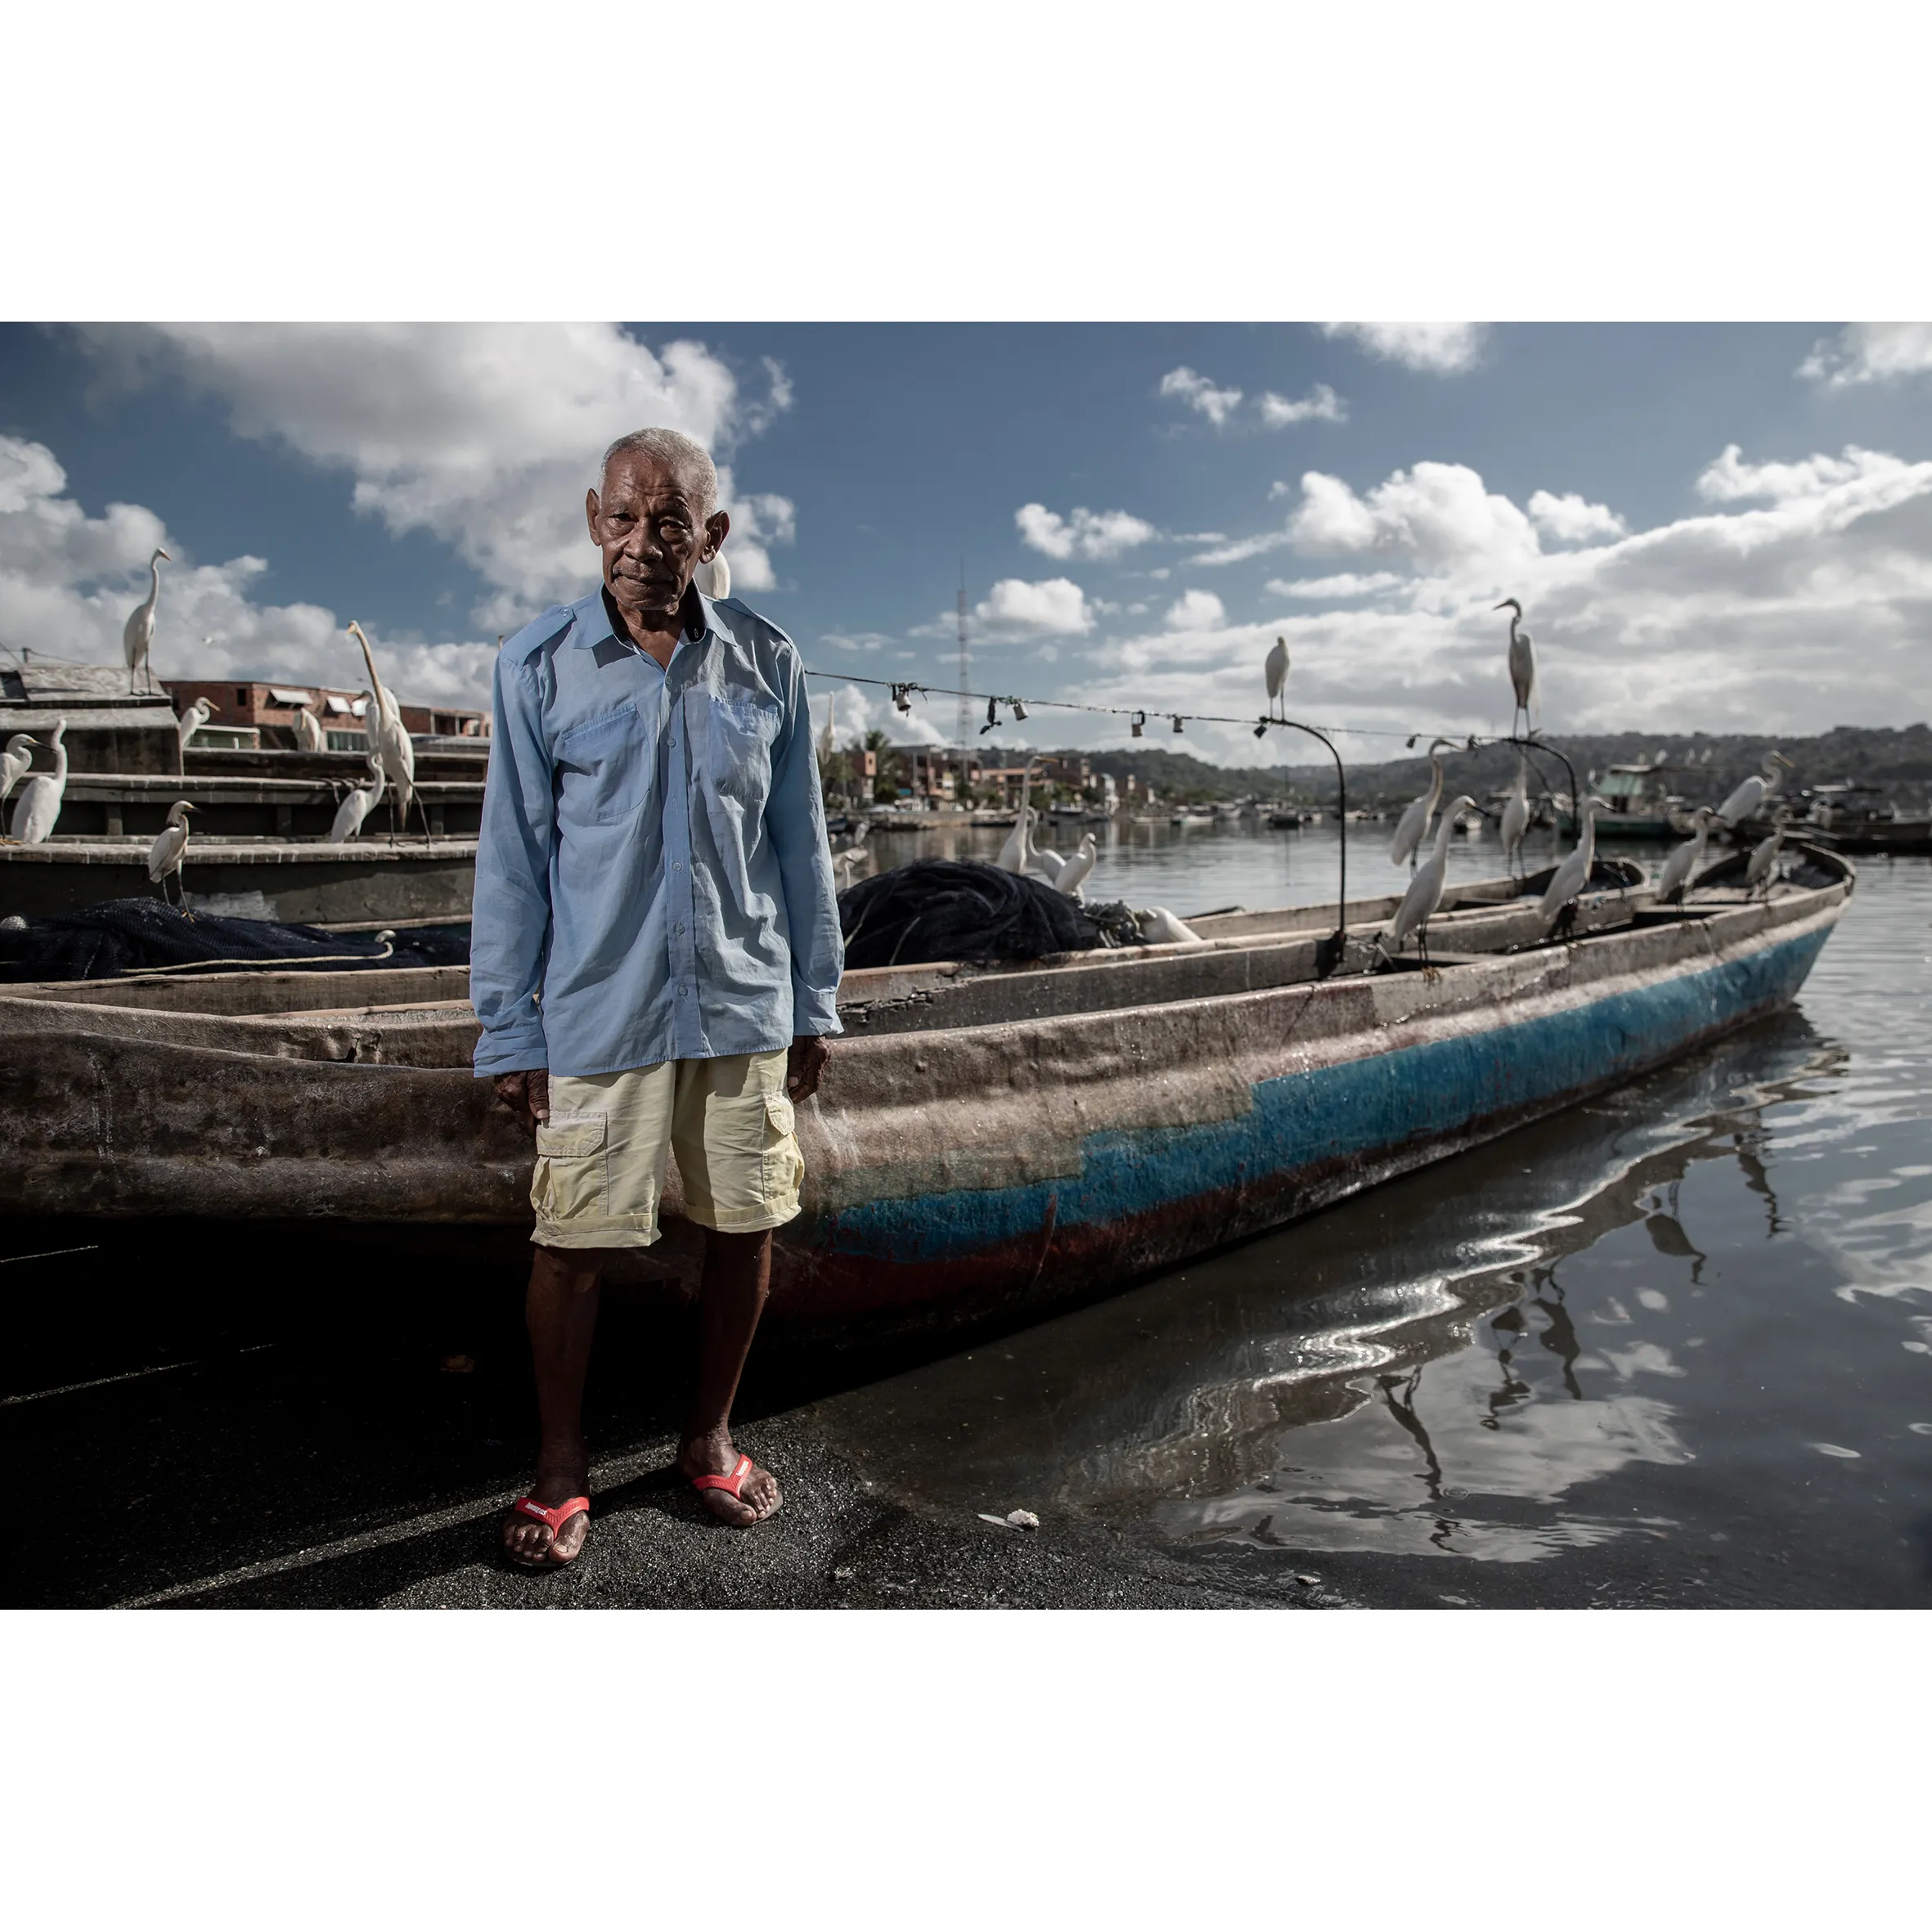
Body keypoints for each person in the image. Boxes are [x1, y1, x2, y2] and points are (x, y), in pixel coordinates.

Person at [471, 427, 843, 1569]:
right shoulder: (537, 665)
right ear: (594, 519)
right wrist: (509, 1025)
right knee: (571, 1239)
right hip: (598, 1008)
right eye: (624, 519)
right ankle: (560, 1469)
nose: (642, 544)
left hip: (740, 998)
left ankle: (707, 1437)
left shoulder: (767, 661)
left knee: (745, 1221)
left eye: (669, 522)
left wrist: (814, 999)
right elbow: (513, 861)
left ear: (710, 536)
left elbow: (800, 844)